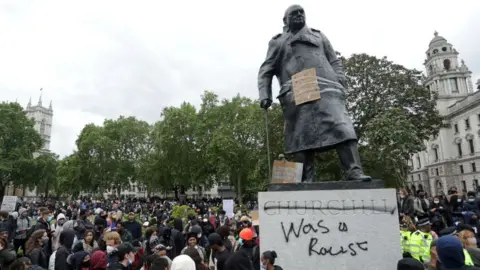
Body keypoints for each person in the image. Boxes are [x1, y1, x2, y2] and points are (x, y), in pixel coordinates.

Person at [257, 4, 370, 182]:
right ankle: (306, 178)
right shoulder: (278, 42)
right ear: (285, 20)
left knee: (342, 126)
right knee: (301, 136)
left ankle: (353, 170)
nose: (299, 15)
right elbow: (266, 70)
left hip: (327, 86)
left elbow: (334, 60)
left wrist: (339, 80)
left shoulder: (319, 35)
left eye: (302, 12)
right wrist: (265, 95)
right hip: (298, 88)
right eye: (294, 13)